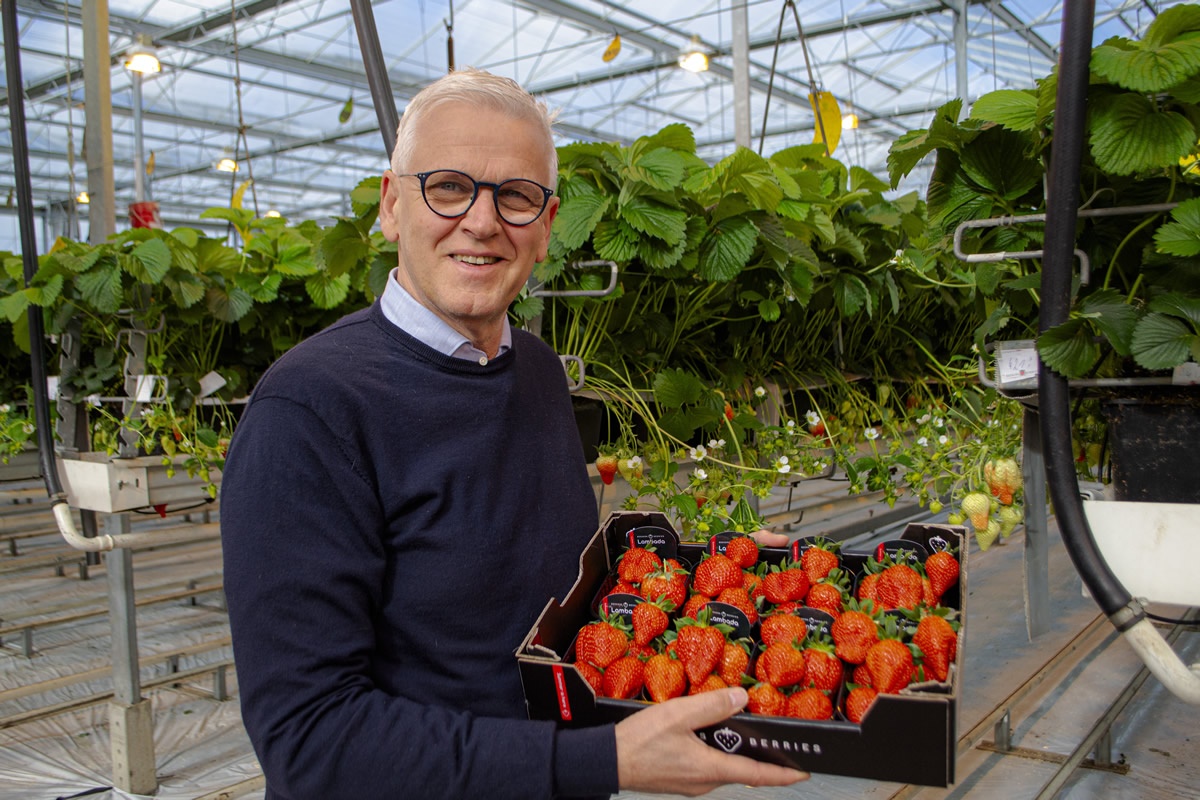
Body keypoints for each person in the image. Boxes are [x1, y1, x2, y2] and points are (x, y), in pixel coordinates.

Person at [220, 67, 808, 800]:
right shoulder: (309, 410)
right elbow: (310, 742)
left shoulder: (534, 368)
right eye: (447, 187)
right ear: (392, 206)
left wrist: (710, 570)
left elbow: (546, 584)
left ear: (548, 226)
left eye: (517, 196)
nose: (482, 221)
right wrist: (599, 762)